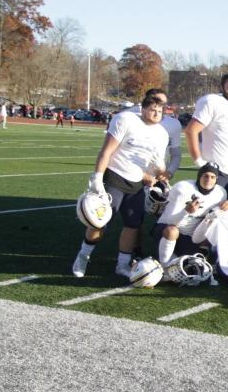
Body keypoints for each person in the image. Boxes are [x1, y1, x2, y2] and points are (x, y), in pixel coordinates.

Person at [71, 96, 170, 278]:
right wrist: (97, 178)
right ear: (143, 109)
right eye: (153, 109)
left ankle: (122, 264)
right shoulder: (125, 119)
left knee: (132, 225)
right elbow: (106, 150)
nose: (156, 114)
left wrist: (159, 169)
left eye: (160, 111)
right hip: (115, 177)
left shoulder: (162, 134)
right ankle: (83, 256)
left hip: (137, 184)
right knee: (98, 221)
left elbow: (157, 167)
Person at [153, 162, 228, 265]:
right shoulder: (183, 188)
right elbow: (171, 221)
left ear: (216, 179)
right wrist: (186, 211)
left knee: (195, 263)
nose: (208, 180)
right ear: (199, 176)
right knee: (172, 231)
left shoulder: (220, 193)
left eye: (212, 177)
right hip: (166, 230)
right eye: (205, 176)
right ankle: (164, 265)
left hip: (190, 236)